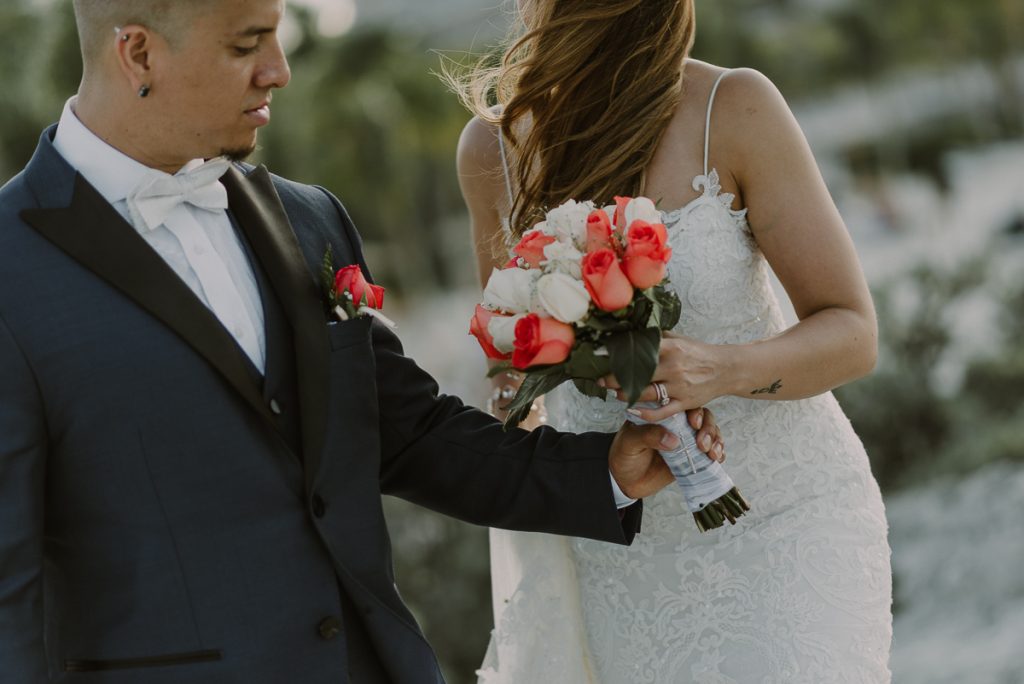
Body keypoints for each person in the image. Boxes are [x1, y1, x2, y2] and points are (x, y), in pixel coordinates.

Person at [0, 1, 729, 682]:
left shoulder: (308, 217)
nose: (278, 69)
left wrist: (604, 470)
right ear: (137, 53)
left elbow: (408, 434)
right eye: (245, 44)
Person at [456, 0, 892, 681]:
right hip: (621, 557)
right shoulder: (492, 149)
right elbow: (511, 367)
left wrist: (719, 369)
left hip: (786, 527)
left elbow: (852, 333)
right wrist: (532, 391)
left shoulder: (734, 107)